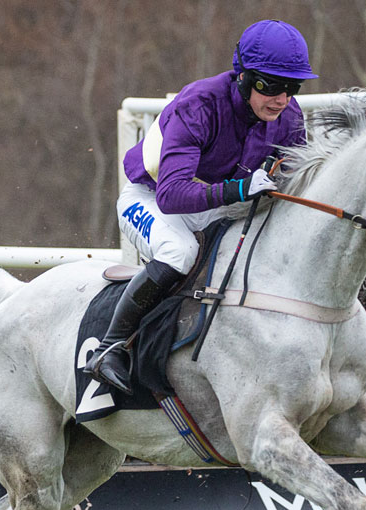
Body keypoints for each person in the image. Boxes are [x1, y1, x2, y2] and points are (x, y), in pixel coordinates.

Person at [84, 19, 318, 395]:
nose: (281, 99)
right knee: (181, 252)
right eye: (270, 86)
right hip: (151, 198)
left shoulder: (289, 117)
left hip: (214, 202)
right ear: (243, 77)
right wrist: (240, 189)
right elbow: (172, 195)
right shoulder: (199, 103)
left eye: (292, 87)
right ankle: (109, 347)